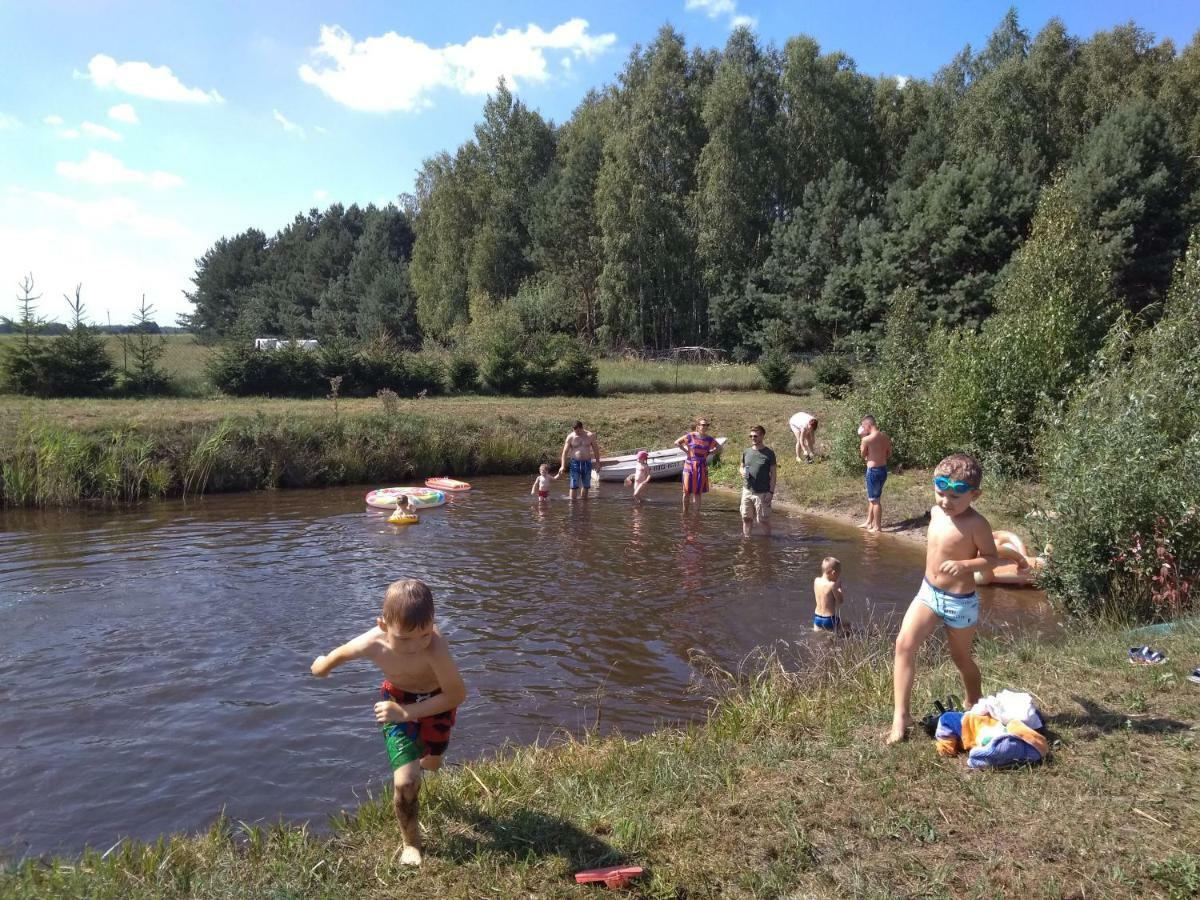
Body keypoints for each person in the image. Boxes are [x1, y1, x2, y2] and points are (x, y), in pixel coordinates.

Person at [310, 579, 468, 864]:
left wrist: (409, 713)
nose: (415, 645)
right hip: (395, 701)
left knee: (432, 762)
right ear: (383, 625)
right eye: (404, 638)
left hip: (437, 702)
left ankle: (427, 758)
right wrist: (323, 665)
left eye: (424, 634)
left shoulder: (435, 647)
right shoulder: (373, 642)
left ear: (432, 623)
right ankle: (411, 844)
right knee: (406, 782)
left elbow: (456, 694)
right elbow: (344, 652)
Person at [887, 454, 999, 745]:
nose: (946, 501)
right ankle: (901, 715)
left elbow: (991, 558)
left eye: (954, 496)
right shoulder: (937, 514)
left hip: (960, 602)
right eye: (940, 493)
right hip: (928, 593)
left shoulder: (977, 524)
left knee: (960, 658)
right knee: (904, 644)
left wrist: (965, 566)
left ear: (975, 495)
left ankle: (973, 701)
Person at [738, 424, 776, 537]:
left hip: (762, 492)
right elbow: (741, 466)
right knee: (746, 518)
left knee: (762, 520)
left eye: (755, 436)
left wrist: (771, 492)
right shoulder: (746, 451)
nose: (753, 438)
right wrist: (742, 471)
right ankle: (747, 540)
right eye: (751, 436)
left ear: (762, 436)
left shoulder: (769, 453)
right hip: (747, 490)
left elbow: (774, 474)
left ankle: (768, 541)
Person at [857, 415, 892, 533]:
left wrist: (865, 449)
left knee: (875, 500)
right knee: (873, 498)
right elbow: (888, 453)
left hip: (873, 471)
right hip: (883, 469)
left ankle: (877, 527)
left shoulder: (866, 439)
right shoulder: (885, 436)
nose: (863, 428)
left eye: (863, 426)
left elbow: (862, 454)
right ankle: (868, 522)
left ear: (868, 425)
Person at [675, 417, 719, 509]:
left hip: (701, 467)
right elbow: (677, 442)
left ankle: (696, 516)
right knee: (686, 491)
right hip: (689, 465)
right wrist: (686, 451)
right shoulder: (690, 436)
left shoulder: (709, 439)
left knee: (697, 492)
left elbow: (719, 448)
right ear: (698, 426)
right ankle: (685, 513)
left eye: (707, 425)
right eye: (703, 425)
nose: (705, 426)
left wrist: (710, 453)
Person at [556, 421, 601, 501]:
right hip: (575, 463)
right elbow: (564, 452)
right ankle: (572, 504)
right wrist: (562, 465)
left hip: (587, 463)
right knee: (573, 485)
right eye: (575, 431)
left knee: (586, 485)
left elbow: (596, 450)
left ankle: (584, 502)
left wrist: (598, 463)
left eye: (578, 431)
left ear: (581, 428)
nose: (576, 433)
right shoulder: (570, 437)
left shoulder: (590, 436)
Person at [812, 557, 844, 631]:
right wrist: (839, 588)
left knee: (818, 637)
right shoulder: (832, 585)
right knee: (848, 624)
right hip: (829, 619)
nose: (838, 577)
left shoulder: (816, 580)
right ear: (833, 573)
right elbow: (840, 601)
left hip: (817, 618)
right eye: (838, 574)